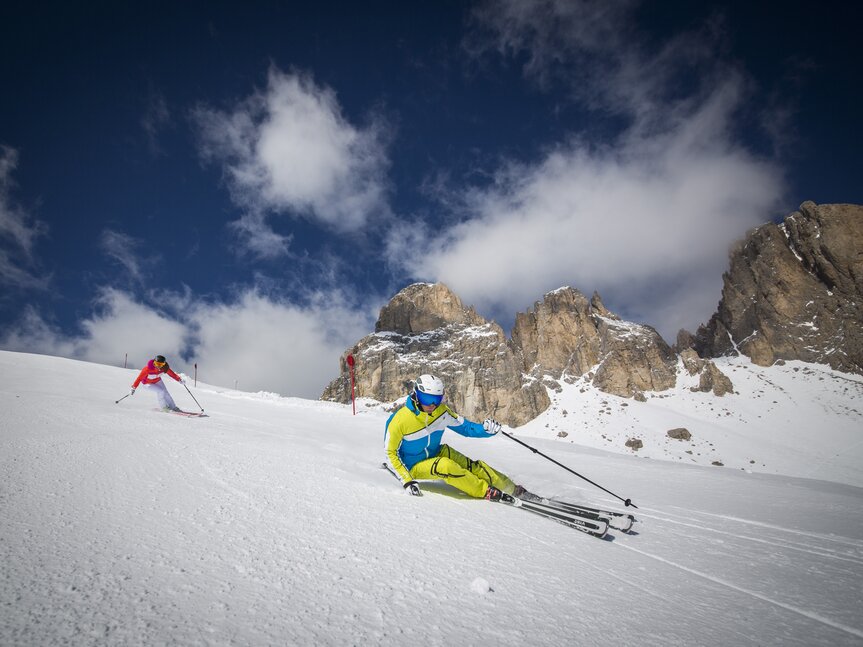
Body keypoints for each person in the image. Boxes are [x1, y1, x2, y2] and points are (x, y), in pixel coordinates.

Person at [384, 374, 530, 501]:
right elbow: (390, 453)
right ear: (416, 395)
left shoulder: (441, 412)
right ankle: (485, 490)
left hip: (436, 452)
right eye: (427, 399)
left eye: (437, 399)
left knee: (471, 465)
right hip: (412, 466)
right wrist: (407, 480)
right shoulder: (400, 420)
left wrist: (485, 430)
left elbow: (465, 428)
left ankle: (512, 488)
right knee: (446, 466)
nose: (432, 405)